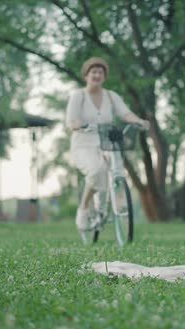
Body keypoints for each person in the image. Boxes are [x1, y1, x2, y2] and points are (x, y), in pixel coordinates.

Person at [66, 57, 149, 243]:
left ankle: (117, 204)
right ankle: (84, 207)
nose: (97, 75)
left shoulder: (111, 96)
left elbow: (125, 113)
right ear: (86, 75)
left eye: (100, 72)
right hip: (83, 144)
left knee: (117, 170)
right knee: (97, 170)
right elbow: (72, 121)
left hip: (107, 141)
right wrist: (80, 124)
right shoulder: (78, 96)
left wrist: (139, 121)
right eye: (93, 72)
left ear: (104, 76)